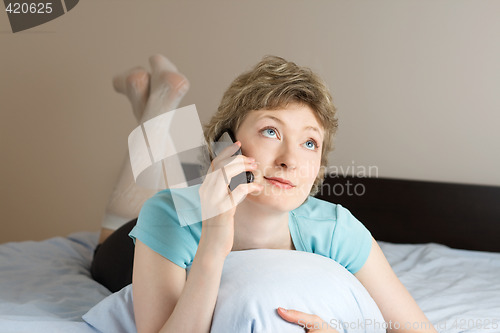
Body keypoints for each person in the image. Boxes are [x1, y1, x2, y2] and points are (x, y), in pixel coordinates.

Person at [128, 56, 438, 333]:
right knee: (131, 207)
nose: (290, 160)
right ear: (225, 142)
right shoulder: (167, 216)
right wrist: (213, 239)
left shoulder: (334, 229)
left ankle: (150, 101)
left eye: (309, 143)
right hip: (122, 252)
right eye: (271, 131)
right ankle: (149, 104)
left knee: (175, 171)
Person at [90, 54, 190, 292]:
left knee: (189, 197)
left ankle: (147, 101)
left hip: (130, 251)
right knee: (187, 200)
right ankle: (147, 100)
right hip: (130, 251)